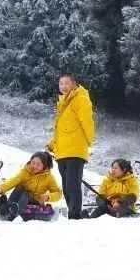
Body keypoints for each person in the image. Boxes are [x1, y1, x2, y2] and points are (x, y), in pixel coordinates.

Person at [46, 73, 94, 220]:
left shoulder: (81, 99)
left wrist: (89, 141)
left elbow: (87, 121)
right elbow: (61, 129)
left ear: (74, 84)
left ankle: (75, 215)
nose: (64, 86)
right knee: (67, 186)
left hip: (75, 149)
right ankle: (73, 212)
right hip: (62, 151)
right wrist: (52, 144)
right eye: (61, 84)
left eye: (67, 83)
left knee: (73, 185)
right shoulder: (62, 103)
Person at [0, 152, 62, 221]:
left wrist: (48, 196)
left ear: (44, 165)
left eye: (38, 164)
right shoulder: (25, 171)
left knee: (25, 193)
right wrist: (1, 189)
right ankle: (6, 208)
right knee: (19, 188)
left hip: (36, 201)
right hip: (21, 200)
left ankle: (13, 213)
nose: (35, 166)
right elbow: (14, 180)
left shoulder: (49, 177)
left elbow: (58, 193)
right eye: (33, 163)